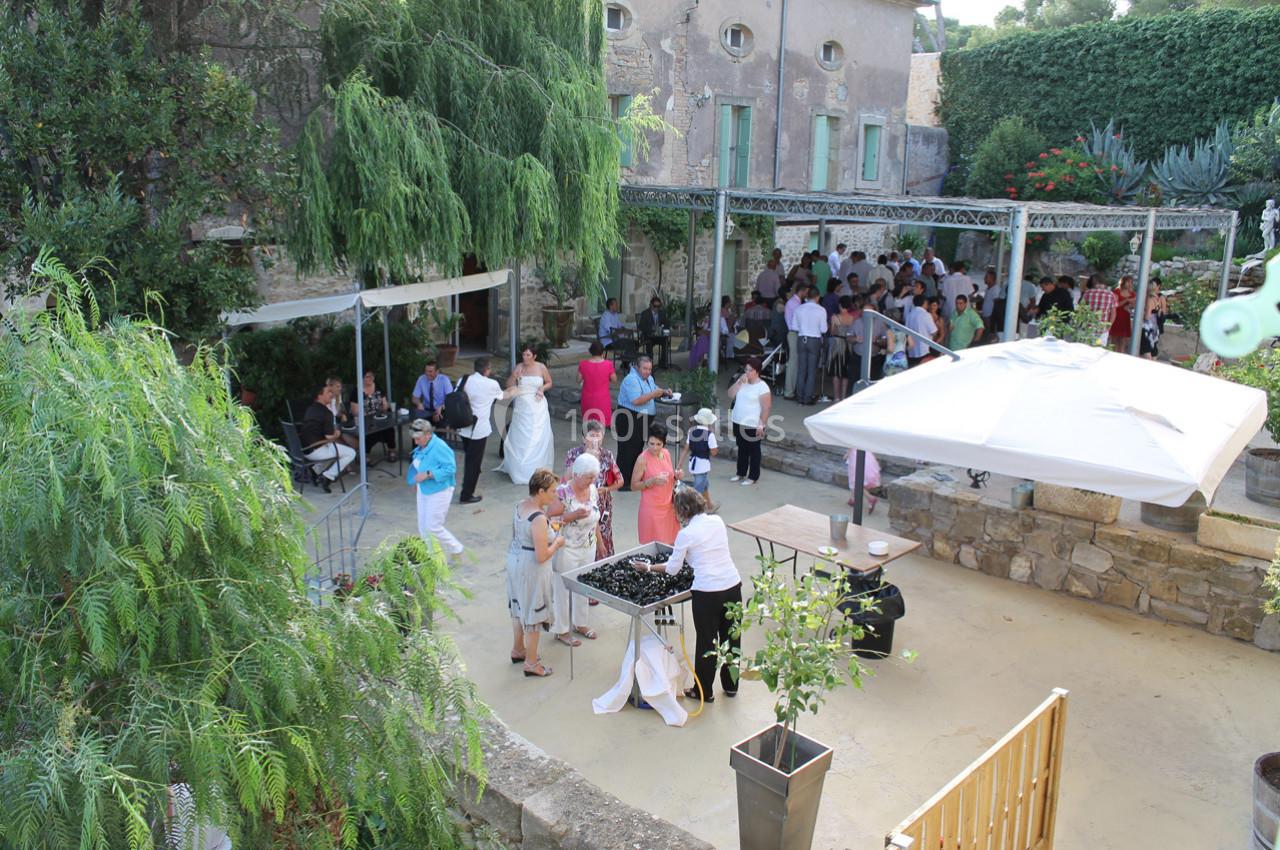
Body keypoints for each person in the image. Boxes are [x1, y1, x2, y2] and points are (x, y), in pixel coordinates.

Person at [638, 487, 741, 702]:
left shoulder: (685, 534)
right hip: (732, 585)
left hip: (707, 592)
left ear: (683, 510)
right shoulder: (717, 521)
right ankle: (731, 686)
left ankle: (704, 692)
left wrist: (648, 568)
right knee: (732, 638)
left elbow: (673, 569)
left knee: (707, 642)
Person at [507, 469, 565, 677]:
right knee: (534, 611)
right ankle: (531, 662)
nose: (555, 496)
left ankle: (518, 649)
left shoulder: (521, 505)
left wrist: (550, 527)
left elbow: (517, 536)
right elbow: (542, 556)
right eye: (552, 491)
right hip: (532, 567)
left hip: (515, 560)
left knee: (518, 605)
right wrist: (557, 542)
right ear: (540, 491)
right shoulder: (539, 517)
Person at [548, 453, 601, 647]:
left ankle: (581, 623)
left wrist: (600, 541)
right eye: (588, 477)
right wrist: (573, 515)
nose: (591, 481)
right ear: (576, 474)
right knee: (563, 589)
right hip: (567, 547)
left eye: (593, 477)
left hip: (588, 545)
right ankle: (561, 630)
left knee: (584, 585)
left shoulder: (593, 489)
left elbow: (595, 517)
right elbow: (549, 519)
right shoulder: (562, 493)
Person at [563, 420, 624, 560]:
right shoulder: (574, 454)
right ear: (584, 438)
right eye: (592, 435)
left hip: (602, 505)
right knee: (582, 538)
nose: (595, 439)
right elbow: (565, 480)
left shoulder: (606, 455)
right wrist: (583, 458)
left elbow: (620, 480)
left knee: (604, 537)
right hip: (579, 504)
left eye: (598, 435)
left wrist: (607, 489)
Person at [496, 345, 555, 486]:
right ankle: (519, 470)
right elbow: (509, 384)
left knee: (538, 434)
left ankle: (538, 469)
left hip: (538, 404)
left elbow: (549, 382)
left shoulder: (541, 367)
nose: (525, 357)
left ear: (534, 356)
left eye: (528, 355)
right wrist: (514, 376)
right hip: (522, 405)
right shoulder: (519, 367)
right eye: (524, 355)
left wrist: (542, 388)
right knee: (521, 435)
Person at [407, 418, 463, 558]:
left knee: (433, 527)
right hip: (423, 489)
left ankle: (456, 548)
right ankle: (432, 557)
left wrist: (427, 474)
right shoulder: (423, 445)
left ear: (428, 435)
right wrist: (417, 481)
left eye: (418, 439)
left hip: (440, 491)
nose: (416, 442)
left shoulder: (440, 447)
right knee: (422, 526)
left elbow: (450, 469)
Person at [455, 357, 506, 504]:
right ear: (487, 370)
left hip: (463, 425)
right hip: (479, 429)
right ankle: (467, 494)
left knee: (470, 457)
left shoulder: (463, 380)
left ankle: (472, 480)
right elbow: (503, 396)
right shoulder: (491, 384)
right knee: (473, 462)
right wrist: (515, 389)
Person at [616, 356, 669, 493]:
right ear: (637, 367)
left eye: (650, 369)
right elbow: (636, 400)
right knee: (627, 449)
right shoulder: (631, 380)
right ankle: (623, 482)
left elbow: (654, 389)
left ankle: (634, 478)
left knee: (636, 448)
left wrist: (663, 392)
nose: (647, 372)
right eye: (645, 369)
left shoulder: (649, 378)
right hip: (629, 417)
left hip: (642, 419)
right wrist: (653, 394)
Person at [299, 382, 356, 492]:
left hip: (304, 449)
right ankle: (328, 477)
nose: (331, 394)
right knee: (350, 453)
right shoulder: (326, 412)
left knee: (335, 448)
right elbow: (329, 437)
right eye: (328, 392)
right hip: (316, 450)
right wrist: (337, 433)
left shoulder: (310, 409)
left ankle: (316, 471)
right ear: (320, 396)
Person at [633, 423, 680, 545]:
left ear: (663, 443)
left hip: (669, 507)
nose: (654, 448)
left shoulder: (666, 454)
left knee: (672, 544)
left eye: (658, 444)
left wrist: (676, 476)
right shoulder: (642, 459)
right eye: (651, 444)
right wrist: (651, 481)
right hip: (651, 510)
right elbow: (634, 485)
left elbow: (670, 476)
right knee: (654, 547)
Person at [728, 357, 771, 486]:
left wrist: (761, 424)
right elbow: (730, 394)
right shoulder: (742, 382)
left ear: (757, 371)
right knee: (741, 448)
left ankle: (753, 476)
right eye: (746, 369)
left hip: (752, 423)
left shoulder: (762, 387)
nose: (747, 372)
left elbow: (766, 407)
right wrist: (738, 383)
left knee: (753, 450)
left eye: (750, 370)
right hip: (738, 419)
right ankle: (740, 473)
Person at [676, 407, 719, 509]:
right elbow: (714, 452)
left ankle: (709, 505)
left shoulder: (692, 431)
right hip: (703, 465)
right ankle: (690, 511)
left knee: (704, 485)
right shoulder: (710, 435)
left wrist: (680, 463)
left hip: (693, 463)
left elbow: (686, 449)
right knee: (697, 491)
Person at [350, 371, 396, 460]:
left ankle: (392, 450)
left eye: (372, 376)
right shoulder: (357, 391)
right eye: (367, 377)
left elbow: (384, 402)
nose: (370, 378)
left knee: (389, 428)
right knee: (372, 431)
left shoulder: (377, 386)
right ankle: (365, 454)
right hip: (364, 419)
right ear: (362, 378)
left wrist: (385, 405)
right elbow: (355, 411)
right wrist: (367, 414)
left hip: (378, 417)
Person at [794, 286, 828, 405]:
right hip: (814, 340)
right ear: (817, 297)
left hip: (801, 338)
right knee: (812, 370)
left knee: (802, 369)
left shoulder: (799, 309)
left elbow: (794, 327)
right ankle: (807, 397)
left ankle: (799, 396)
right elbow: (824, 329)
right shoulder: (821, 310)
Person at [577, 341, 617, 426]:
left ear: (591, 351)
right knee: (601, 424)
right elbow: (614, 380)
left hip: (587, 398)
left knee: (588, 424)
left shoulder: (583, 364)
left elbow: (578, 380)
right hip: (602, 399)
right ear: (602, 352)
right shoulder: (608, 364)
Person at [827, 295, 859, 400]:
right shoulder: (852, 318)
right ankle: (844, 396)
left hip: (838, 344)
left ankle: (836, 397)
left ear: (840, 305)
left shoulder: (835, 317)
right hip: (848, 345)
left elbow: (832, 332)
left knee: (836, 372)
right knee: (845, 372)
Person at [411, 361, 453, 425]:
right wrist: (419, 403)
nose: (427, 374)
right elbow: (414, 398)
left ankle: (438, 434)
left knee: (440, 424)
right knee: (418, 427)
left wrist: (441, 407)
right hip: (426, 410)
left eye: (430, 371)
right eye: (426, 371)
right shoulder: (421, 379)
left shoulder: (444, 380)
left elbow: (451, 399)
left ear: (437, 371)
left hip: (441, 409)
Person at [1081, 274, 1118, 346]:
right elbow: (1113, 313)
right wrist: (1109, 327)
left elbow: (1082, 309)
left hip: (1088, 327)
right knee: (1099, 352)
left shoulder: (1088, 293)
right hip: (1103, 328)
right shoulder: (1111, 294)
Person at [783, 285, 804, 398]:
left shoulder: (794, 303)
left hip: (794, 333)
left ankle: (791, 390)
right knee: (793, 363)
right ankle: (789, 391)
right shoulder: (795, 304)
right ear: (802, 291)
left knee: (794, 362)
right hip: (794, 333)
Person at [845, 448, 881, 513]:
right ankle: (853, 499)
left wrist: (847, 454)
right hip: (867, 454)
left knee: (855, 479)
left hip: (856, 455)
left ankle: (870, 498)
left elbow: (851, 443)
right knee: (856, 478)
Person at [906, 293, 937, 368]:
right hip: (924, 350)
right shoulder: (926, 315)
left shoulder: (909, 315)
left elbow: (906, 331)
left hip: (912, 351)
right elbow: (934, 331)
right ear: (925, 303)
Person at [1110, 274, 1136, 351]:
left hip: (1125, 317)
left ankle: (1121, 355)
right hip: (1116, 316)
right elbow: (1115, 304)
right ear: (1123, 282)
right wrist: (1127, 300)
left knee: (1123, 340)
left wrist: (1130, 306)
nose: (1129, 284)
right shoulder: (1116, 291)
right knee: (1113, 339)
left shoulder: (1132, 293)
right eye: (1128, 282)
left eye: (1131, 282)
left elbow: (1135, 305)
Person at [638, 296, 667, 363]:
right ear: (651, 305)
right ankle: (650, 363)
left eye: (658, 306)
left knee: (665, 341)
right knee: (649, 343)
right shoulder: (645, 313)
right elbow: (641, 326)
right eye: (655, 306)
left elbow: (666, 323)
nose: (656, 308)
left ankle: (663, 362)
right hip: (648, 336)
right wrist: (651, 328)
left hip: (659, 336)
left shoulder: (661, 313)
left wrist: (662, 328)